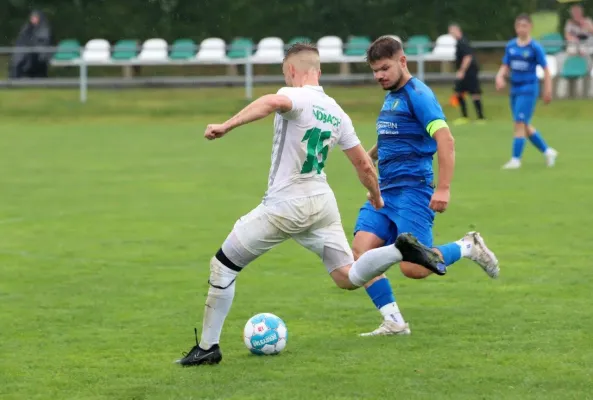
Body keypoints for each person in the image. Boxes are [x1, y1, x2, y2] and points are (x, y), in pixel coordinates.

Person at [176, 43, 442, 366]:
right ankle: (400, 251)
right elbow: (363, 164)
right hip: (321, 203)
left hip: (285, 205)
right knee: (348, 275)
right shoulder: (336, 111)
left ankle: (207, 348)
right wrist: (375, 196)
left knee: (223, 265)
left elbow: (272, 102)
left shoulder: (295, 97)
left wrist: (226, 125)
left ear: (291, 71)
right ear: (319, 71)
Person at [350, 36, 500, 337]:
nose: (379, 75)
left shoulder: (418, 94)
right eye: (375, 70)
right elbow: (394, 132)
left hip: (413, 190)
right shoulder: (392, 94)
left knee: (414, 268)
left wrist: (443, 188)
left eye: (385, 68)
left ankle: (467, 247)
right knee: (360, 254)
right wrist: (370, 157)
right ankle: (394, 321)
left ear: (402, 61)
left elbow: (445, 138)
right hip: (386, 192)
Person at [496, 14, 558, 170]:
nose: (521, 29)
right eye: (518, 26)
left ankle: (516, 159)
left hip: (529, 88)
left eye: (524, 26)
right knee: (524, 125)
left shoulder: (535, 47)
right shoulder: (511, 46)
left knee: (519, 123)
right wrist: (500, 77)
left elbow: (546, 70)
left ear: (530, 27)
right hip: (515, 88)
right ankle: (548, 151)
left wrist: (548, 90)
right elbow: (505, 65)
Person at [448, 23, 485, 125]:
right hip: (464, 72)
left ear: (457, 30)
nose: (450, 33)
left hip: (469, 72)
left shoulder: (463, 42)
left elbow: (468, 57)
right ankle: (464, 117)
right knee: (459, 92)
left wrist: (462, 71)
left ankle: (481, 118)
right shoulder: (458, 42)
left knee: (475, 93)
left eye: (452, 31)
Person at [9, 10, 52, 79]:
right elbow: (21, 39)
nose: (33, 20)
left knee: (31, 56)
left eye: (35, 18)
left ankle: (32, 75)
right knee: (17, 56)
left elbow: (44, 42)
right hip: (26, 50)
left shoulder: (44, 29)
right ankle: (15, 77)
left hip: (39, 53)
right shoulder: (27, 28)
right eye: (32, 18)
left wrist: (32, 45)